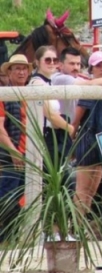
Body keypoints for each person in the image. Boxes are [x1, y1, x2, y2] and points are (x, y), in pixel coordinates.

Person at [73, 51, 102, 221]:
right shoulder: (91, 88)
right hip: (89, 139)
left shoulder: (93, 85)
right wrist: (72, 132)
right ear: (91, 68)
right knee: (83, 189)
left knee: (92, 189)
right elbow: (79, 114)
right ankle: (75, 225)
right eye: (98, 66)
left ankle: (80, 226)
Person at [0, 55, 31, 241]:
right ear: (9, 72)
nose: (21, 72)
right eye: (17, 68)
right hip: (9, 152)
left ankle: (9, 233)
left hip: (26, 152)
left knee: (18, 193)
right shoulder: (4, 94)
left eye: (24, 68)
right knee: (7, 192)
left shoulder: (27, 95)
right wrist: (13, 150)